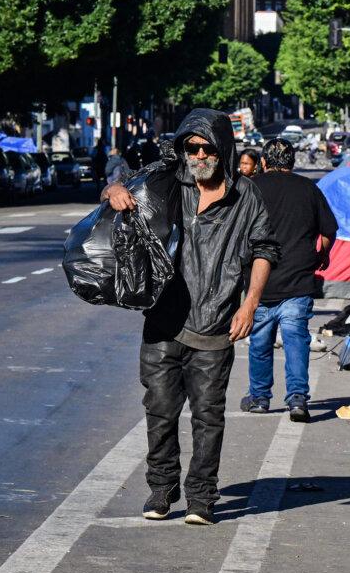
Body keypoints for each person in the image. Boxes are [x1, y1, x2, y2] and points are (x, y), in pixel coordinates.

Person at [102, 108, 280, 526]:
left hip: (216, 322)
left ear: (223, 149)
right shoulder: (167, 180)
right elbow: (117, 188)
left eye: (206, 148)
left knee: (208, 416)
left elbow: (264, 250)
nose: (198, 155)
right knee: (160, 411)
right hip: (164, 321)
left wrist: (249, 303)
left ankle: (202, 497)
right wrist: (113, 190)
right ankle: (162, 490)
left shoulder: (246, 195)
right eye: (191, 147)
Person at [240, 138, 337, 422]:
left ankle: (259, 398)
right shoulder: (309, 188)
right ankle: (297, 399)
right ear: (292, 163)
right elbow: (328, 230)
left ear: (264, 163)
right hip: (298, 281)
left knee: (260, 343)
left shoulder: (251, 188)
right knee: (296, 342)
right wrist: (323, 255)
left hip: (260, 283)